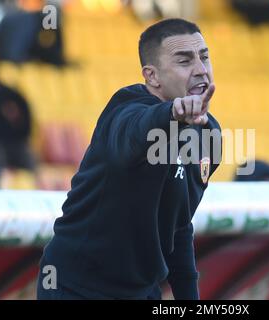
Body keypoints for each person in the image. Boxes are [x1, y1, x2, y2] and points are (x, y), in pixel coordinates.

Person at [37, 18, 221, 300]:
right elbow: (134, 135)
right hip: (75, 286)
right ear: (152, 76)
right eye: (184, 61)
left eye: (204, 57)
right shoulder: (125, 109)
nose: (200, 70)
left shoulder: (209, 135)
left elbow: (178, 226)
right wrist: (171, 114)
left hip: (141, 291)